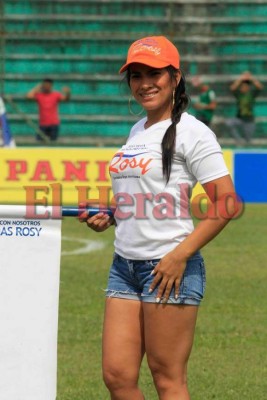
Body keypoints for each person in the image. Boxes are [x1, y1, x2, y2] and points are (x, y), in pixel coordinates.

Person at [79, 36, 241, 400]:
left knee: (167, 378)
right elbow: (145, 199)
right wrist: (112, 215)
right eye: (136, 75)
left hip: (170, 267)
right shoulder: (137, 131)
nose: (144, 83)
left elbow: (226, 203)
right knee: (117, 377)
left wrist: (178, 256)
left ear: (175, 77)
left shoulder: (194, 132)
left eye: (154, 73)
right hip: (124, 266)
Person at [225, 71, 263, 144]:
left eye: (245, 86)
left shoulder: (251, 94)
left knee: (248, 140)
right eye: (242, 86)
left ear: (248, 87)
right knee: (229, 123)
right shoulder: (239, 94)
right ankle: (238, 141)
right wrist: (241, 78)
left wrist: (251, 78)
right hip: (240, 118)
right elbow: (232, 88)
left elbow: (260, 87)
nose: (243, 88)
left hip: (249, 120)